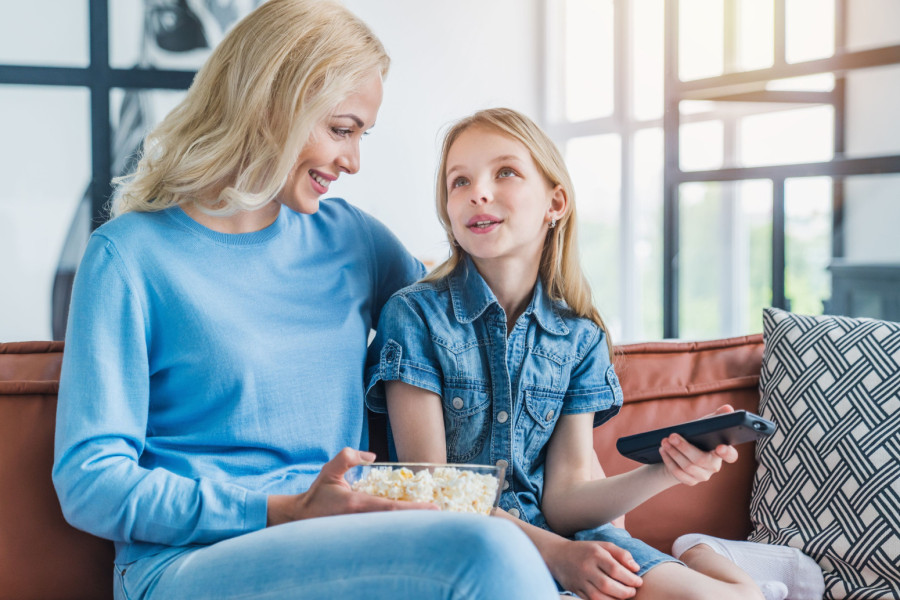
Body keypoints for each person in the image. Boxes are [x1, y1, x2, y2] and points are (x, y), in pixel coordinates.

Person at [51, 3, 559, 599]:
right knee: (487, 552)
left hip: (347, 542)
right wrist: (283, 509)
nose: (354, 161)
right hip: (189, 563)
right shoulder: (129, 257)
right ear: (272, 105)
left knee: (490, 544)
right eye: (341, 130)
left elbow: (468, 322)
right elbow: (90, 482)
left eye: (362, 135)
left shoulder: (352, 240)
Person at [365, 107, 768, 600]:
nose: (478, 192)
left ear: (555, 202)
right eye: (459, 181)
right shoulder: (414, 315)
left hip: (572, 541)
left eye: (505, 172)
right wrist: (556, 556)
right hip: (469, 544)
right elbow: (432, 491)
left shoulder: (580, 336)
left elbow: (566, 501)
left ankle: (704, 555)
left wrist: (665, 469)